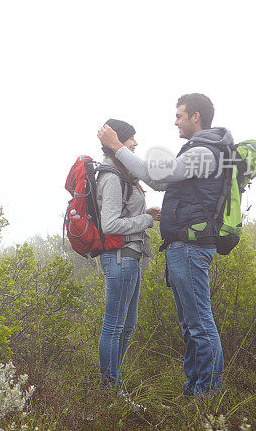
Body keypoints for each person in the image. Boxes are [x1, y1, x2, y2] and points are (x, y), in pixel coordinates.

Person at [98, 94, 232, 396]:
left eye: (180, 116)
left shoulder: (204, 152)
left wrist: (118, 146)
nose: (175, 122)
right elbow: (159, 181)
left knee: (199, 324)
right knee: (191, 325)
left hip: (191, 248)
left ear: (195, 116)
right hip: (184, 248)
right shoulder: (200, 150)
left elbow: (157, 177)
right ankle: (194, 391)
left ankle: (207, 395)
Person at [95, 119, 160, 391]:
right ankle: (110, 388)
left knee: (127, 325)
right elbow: (109, 224)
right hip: (120, 258)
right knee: (114, 326)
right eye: (131, 138)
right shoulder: (111, 176)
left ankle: (113, 383)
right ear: (118, 141)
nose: (135, 143)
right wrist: (145, 220)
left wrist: (145, 215)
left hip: (129, 258)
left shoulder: (124, 175)